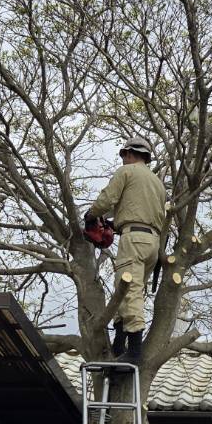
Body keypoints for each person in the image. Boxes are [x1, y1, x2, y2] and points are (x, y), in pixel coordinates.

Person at [85, 138, 165, 365]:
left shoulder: (127, 172)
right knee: (125, 289)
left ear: (130, 153)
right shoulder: (157, 182)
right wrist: (114, 223)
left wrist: (91, 215)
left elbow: (107, 199)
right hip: (152, 242)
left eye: (123, 155)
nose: (123, 159)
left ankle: (134, 353)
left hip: (134, 240)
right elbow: (136, 208)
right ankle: (120, 346)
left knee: (130, 291)